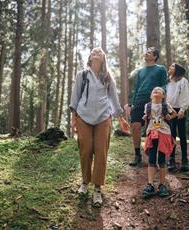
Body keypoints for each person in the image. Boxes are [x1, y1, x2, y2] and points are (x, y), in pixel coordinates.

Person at [69, 47, 130, 207]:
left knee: (101, 151)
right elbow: (75, 98)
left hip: (103, 118)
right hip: (83, 117)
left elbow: (114, 99)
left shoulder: (108, 77)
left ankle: (97, 189)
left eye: (99, 52)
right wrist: (73, 118)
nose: (96, 53)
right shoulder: (81, 75)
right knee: (86, 150)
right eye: (93, 51)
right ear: (90, 57)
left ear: (103, 58)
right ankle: (85, 182)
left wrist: (121, 118)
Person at [124, 47, 168, 167]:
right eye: (146, 51)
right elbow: (136, 88)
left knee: (154, 128)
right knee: (135, 126)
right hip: (139, 100)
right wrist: (132, 104)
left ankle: (156, 157)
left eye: (149, 52)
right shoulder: (140, 71)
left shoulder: (161, 69)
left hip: (153, 100)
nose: (146, 53)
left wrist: (160, 94)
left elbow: (165, 84)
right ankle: (137, 155)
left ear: (154, 56)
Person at [142, 87, 176, 198]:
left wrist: (169, 116)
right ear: (151, 96)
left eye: (159, 90)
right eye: (154, 90)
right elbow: (147, 118)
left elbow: (174, 114)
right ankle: (150, 184)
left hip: (164, 132)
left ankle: (162, 184)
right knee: (151, 158)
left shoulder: (166, 106)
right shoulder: (147, 106)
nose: (156, 90)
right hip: (152, 132)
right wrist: (146, 117)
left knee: (162, 158)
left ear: (163, 96)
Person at [166, 63, 189, 171]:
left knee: (182, 134)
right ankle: (171, 159)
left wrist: (182, 109)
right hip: (169, 110)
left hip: (179, 110)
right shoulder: (168, 82)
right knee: (171, 135)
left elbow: (185, 95)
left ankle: (185, 160)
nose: (169, 68)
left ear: (177, 70)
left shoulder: (183, 81)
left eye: (172, 67)